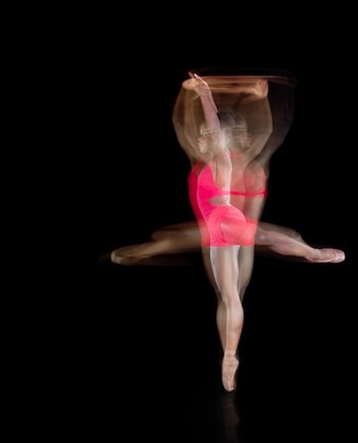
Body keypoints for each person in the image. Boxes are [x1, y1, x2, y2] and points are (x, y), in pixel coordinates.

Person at [110, 70, 345, 392]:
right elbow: (195, 131)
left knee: (261, 236)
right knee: (230, 295)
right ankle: (230, 356)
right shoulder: (206, 160)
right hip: (216, 233)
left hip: (225, 219)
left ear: (217, 135)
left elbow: (213, 126)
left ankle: (312, 253)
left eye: (207, 134)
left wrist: (204, 94)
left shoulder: (221, 157)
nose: (202, 138)